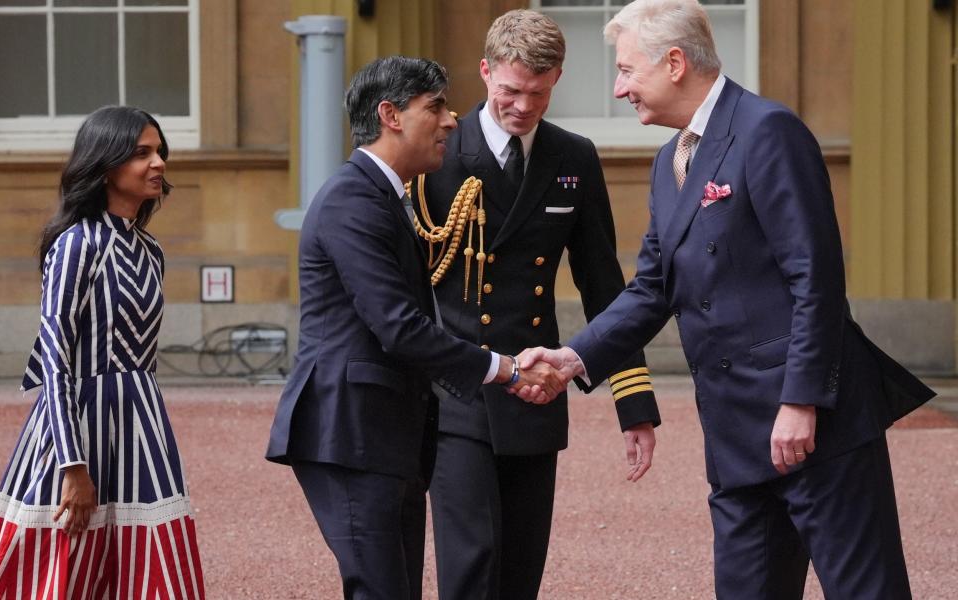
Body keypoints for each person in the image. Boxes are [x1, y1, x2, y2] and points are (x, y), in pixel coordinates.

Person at [520, 1, 935, 598]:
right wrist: (575, 357)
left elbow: (814, 277)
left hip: (815, 424)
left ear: (674, 62)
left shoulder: (768, 131)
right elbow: (652, 288)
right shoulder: (671, 161)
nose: (618, 89)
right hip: (736, 433)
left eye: (628, 71)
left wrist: (801, 400)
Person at [264, 56, 561, 600]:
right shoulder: (353, 199)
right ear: (390, 115)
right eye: (436, 107)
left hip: (382, 434)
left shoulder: (384, 195)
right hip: (349, 432)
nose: (450, 120)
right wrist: (507, 369)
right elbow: (399, 327)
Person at [409, 10, 660, 599]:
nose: (523, 107)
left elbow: (605, 287)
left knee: (521, 573)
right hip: (459, 392)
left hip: (537, 391)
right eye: (511, 91)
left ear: (558, 81)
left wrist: (635, 403)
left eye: (539, 94)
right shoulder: (437, 154)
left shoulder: (573, 157)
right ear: (485, 71)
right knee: (471, 570)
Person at [0, 106, 204, 598]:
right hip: (76, 430)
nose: (158, 163)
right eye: (141, 153)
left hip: (141, 423)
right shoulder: (76, 244)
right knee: (56, 572)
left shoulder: (150, 250)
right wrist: (72, 465)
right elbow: (54, 353)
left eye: (159, 152)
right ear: (106, 164)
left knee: (154, 571)